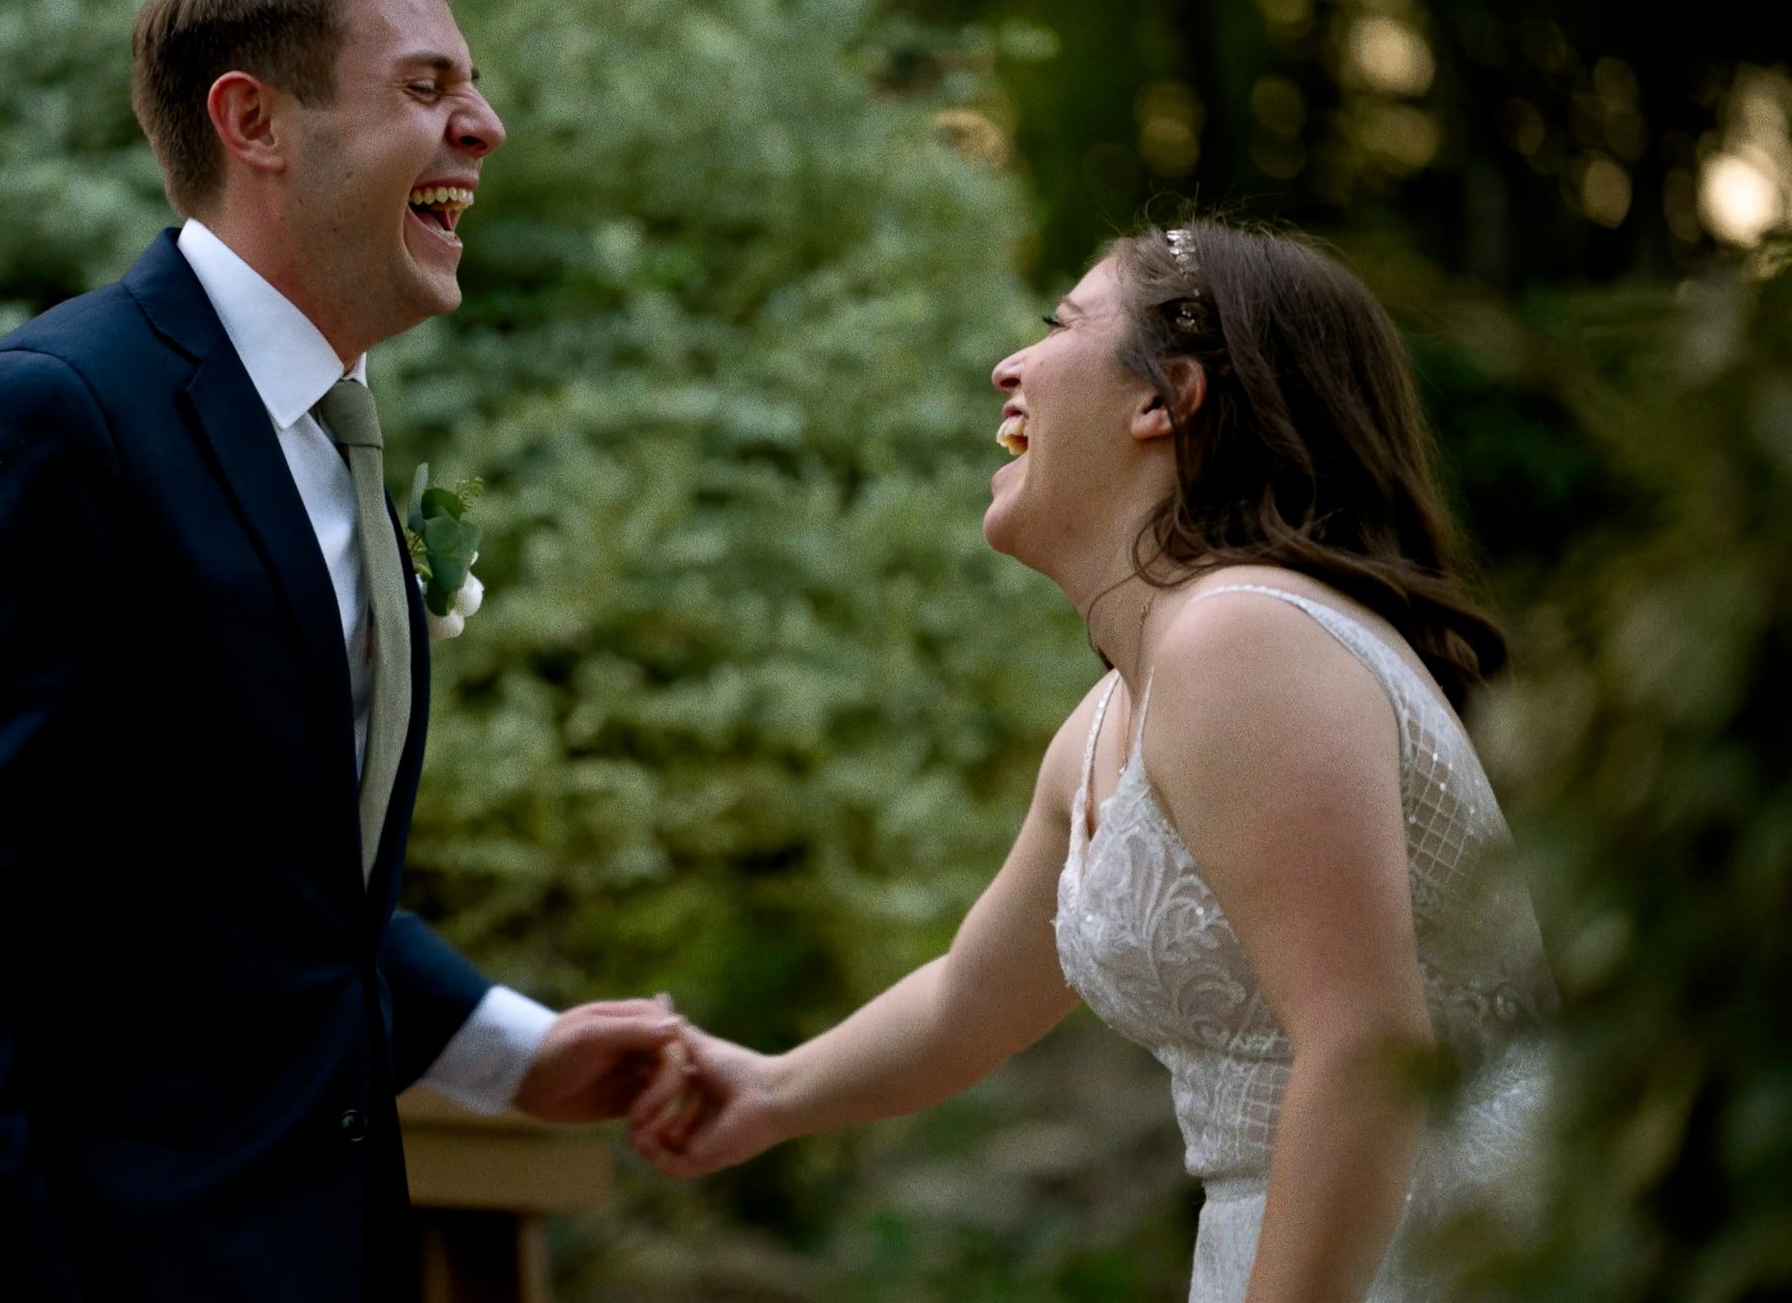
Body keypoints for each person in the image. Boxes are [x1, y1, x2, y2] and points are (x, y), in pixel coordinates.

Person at [0, 0, 681, 1301]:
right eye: (426, 86)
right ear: (253, 119)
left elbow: (256, 879)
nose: (486, 125)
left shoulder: (334, 437)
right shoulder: (50, 417)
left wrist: (510, 1047)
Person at [629, 222, 1558, 1301]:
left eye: (1059, 326)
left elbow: (1362, 1045)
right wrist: (773, 1088)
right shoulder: (1119, 705)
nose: (1006, 366)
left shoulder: (1243, 638)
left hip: (1438, 1244)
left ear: (1164, 398)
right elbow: (965, 1003)